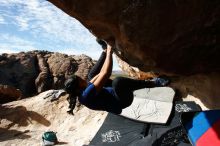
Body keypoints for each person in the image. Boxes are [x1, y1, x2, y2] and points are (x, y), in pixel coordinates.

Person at [64, 39, 169, 115]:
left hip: (111, 93)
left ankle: (104, 50)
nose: (82, 79)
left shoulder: (82, 92)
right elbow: (106, 74)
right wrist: (110, 52)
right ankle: (155, 83)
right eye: (80, 80)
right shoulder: (86, 95)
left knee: (92, 75)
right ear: (78, 87)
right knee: (118, 82)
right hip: (122, 101)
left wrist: (106, 51)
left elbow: (100, 74)